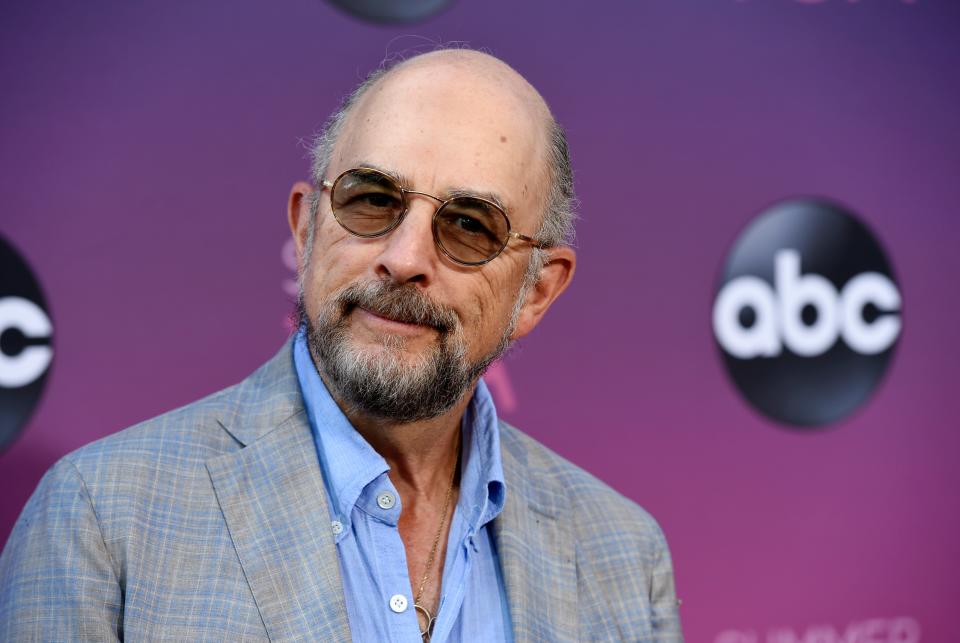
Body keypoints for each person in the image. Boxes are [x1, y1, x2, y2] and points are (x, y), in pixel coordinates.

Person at [0, 49, 683, 642]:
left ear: (536, 291)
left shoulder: (622, 552)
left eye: (470, 225)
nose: (405, 256)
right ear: (305, 230)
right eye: (373, 199)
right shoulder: (100, 517)